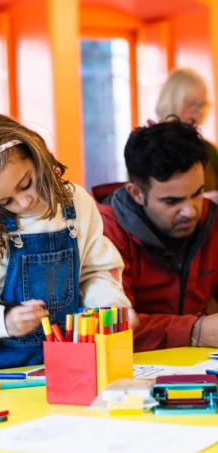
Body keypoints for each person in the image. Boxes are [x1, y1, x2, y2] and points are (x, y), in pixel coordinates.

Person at [0, 112, 135, 373]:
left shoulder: (75, 203)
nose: (24, 202)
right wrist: (3, 321)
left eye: (26, 183)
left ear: (35, 154)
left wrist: (110, 308)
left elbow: (95, 271)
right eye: (5, 202)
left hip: (65, 365)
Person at [91, 119, 218, 352]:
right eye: (172, 201)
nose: (190, 210)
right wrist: (196, 330)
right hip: (128, 373)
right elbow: (114, 326)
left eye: (197, 193)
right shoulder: (103, 233)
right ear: (137, 193)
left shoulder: (212, 218)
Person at [155, 67, 218, 200]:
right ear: (172, 102)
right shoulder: (147, 148)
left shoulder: (208, 149)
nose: (199, 112)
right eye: (192, 104)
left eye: (203, 105)